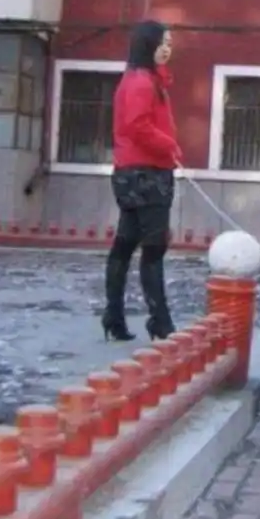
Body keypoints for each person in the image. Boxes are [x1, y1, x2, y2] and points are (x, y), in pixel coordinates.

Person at [101, 20, 181, 343]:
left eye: (170, 44)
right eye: (163, 42)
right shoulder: (141, 82)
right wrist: (170, 146)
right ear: (148, 44)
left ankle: (114, 315)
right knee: (153, 247)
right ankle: (160, 321)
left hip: (133, 172)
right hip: (147, 174)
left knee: (125, 244)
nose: (167, 49)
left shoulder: (142, 79)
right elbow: (138, 126)